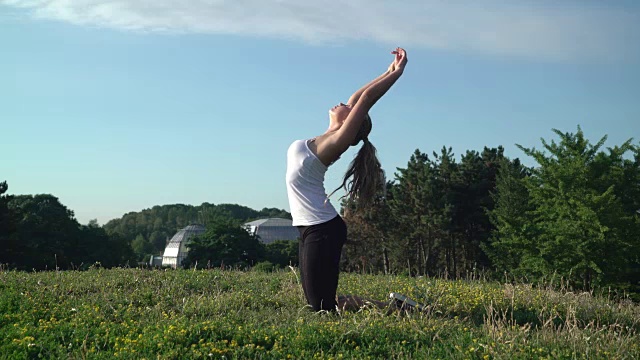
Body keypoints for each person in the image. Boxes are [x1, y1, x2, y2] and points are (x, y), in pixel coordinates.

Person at [286, 48, 410, 312]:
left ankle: (401, 310)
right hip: (310, 227)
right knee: (322, 303)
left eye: (349, 108)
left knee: (320, 307)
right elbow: (359, 97)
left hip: (323, 229)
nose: (343, 103)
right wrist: (387, 70)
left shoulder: (335, 143)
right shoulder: (323, 137)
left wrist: (397, 74)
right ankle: (399, 307)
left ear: (351, 123)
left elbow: (364, 99)